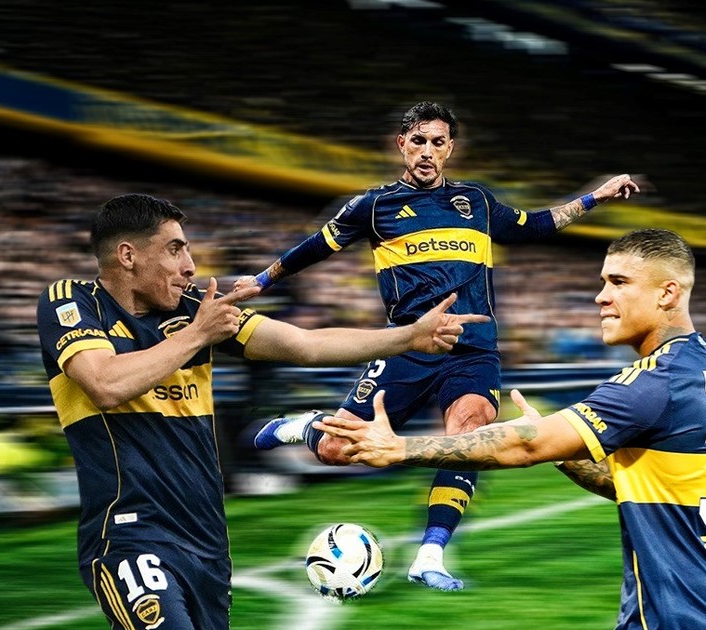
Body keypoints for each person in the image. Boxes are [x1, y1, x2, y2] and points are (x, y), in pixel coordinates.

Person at [35, 193, 487, 630]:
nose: (189, 266)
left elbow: (304, 344)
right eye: (175, 250)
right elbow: (105, 384)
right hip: (130, 531)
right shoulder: (72, 300)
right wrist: (198, 335)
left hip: (207, 539)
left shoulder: (194, 310)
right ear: (128, 255)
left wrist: (408, 337)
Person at [241, 101, 643, 591]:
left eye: (437, 142)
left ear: (450, 148)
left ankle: (430, 556)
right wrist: (262, 280)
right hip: (407, 347)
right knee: (337, 449)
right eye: (418, 141)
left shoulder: (476, 201)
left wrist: (596, 197)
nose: (427, 151)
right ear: (402, 145)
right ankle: (305, 426)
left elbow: (535, 224)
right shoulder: (373, 207)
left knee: (468, 438)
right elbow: (314, 247)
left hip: (473, 351)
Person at [317, 229, 706, 629]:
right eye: (603, 282)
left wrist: (399, 448)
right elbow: (642, 488)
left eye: (619, 282)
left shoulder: (654, 381)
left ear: (667, 293)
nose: (601, 297)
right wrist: (562, 453)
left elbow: (524, 447)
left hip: (672, 618)